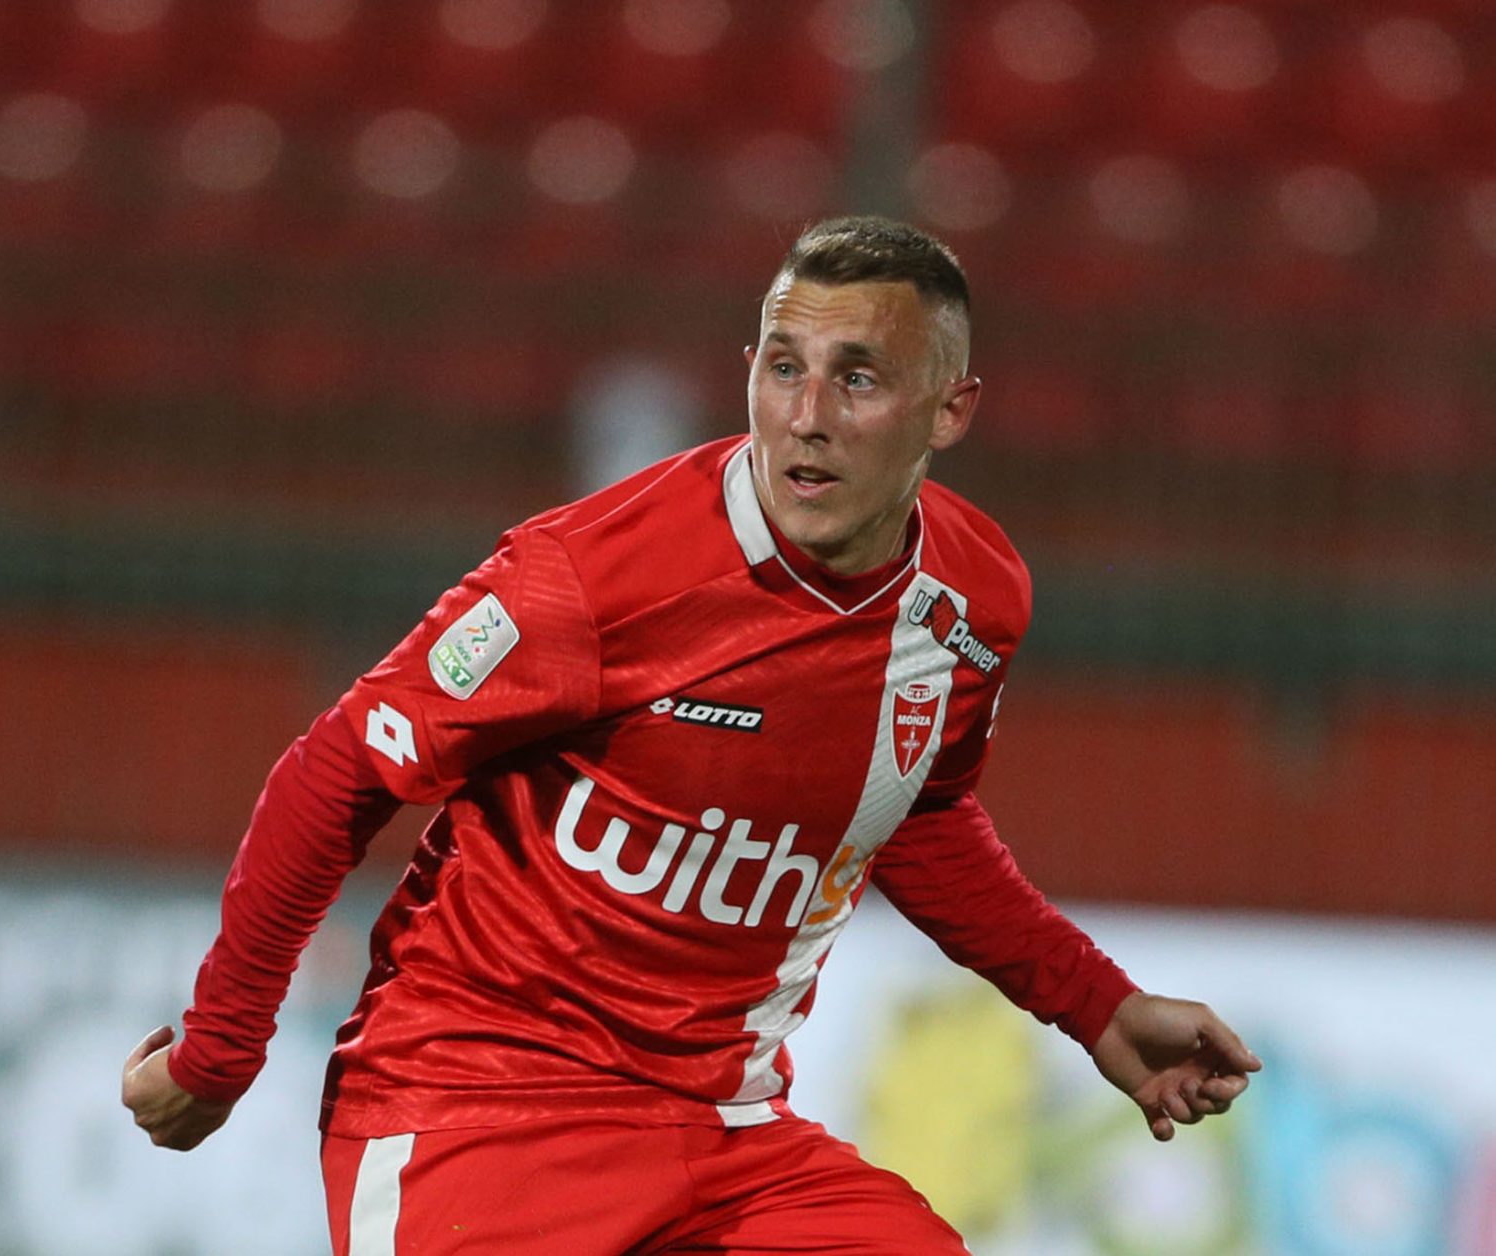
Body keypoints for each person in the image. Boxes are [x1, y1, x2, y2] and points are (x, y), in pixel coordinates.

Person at [121, 215, 1260, 1253]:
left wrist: (1097, 1007)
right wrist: (220, 1051)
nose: (807, 416)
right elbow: (337, 771)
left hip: (724, 1134)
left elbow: (907, 813)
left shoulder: (970, 602)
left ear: (949, 410)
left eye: (858, 377)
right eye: (783, 367)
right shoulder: (590, 580)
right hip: (479, 1111)